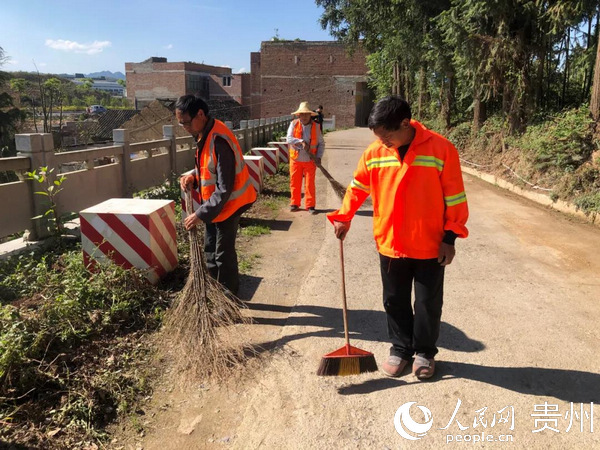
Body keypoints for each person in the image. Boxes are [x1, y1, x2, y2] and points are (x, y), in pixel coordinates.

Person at [327, 96, 469, 379]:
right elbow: (357, 188)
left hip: (430, 243)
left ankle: (425, 352)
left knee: (427, 303)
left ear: (406, 124)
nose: (383, 142)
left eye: (387, 136)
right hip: (391, 242)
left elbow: (455, 196)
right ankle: (400, 349)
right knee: (394, 300)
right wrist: (344, 216)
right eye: (378, 137)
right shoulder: (375, 152)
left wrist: (450, 237)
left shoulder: (441, 149)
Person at [177, 95, 256, 297]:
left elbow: (224, 187)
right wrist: (193, 177)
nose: (184, 127)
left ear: (200, 114)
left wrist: (200, 214)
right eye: (180, 123)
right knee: (210, 250)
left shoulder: (219, 139)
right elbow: (208, 170)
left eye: (186, 122)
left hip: (230, 204)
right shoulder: (205, 134)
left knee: (223, 254)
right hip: (215, 206)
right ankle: (216, 292)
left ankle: (230, 298)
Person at [286, 101, 325, 215]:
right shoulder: (293, 124)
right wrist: (301, 141)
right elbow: (289, 139)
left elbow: (321, 144)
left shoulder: (316, 127)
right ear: (298, 115)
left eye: (306, 114)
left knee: (309, 184)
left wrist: (318, 157)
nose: (304, 116)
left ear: (310, 115)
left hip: (310, 161)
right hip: (296, 159)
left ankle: (310, 205)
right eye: (301, 114)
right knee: (295, 182)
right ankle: (294, 203)